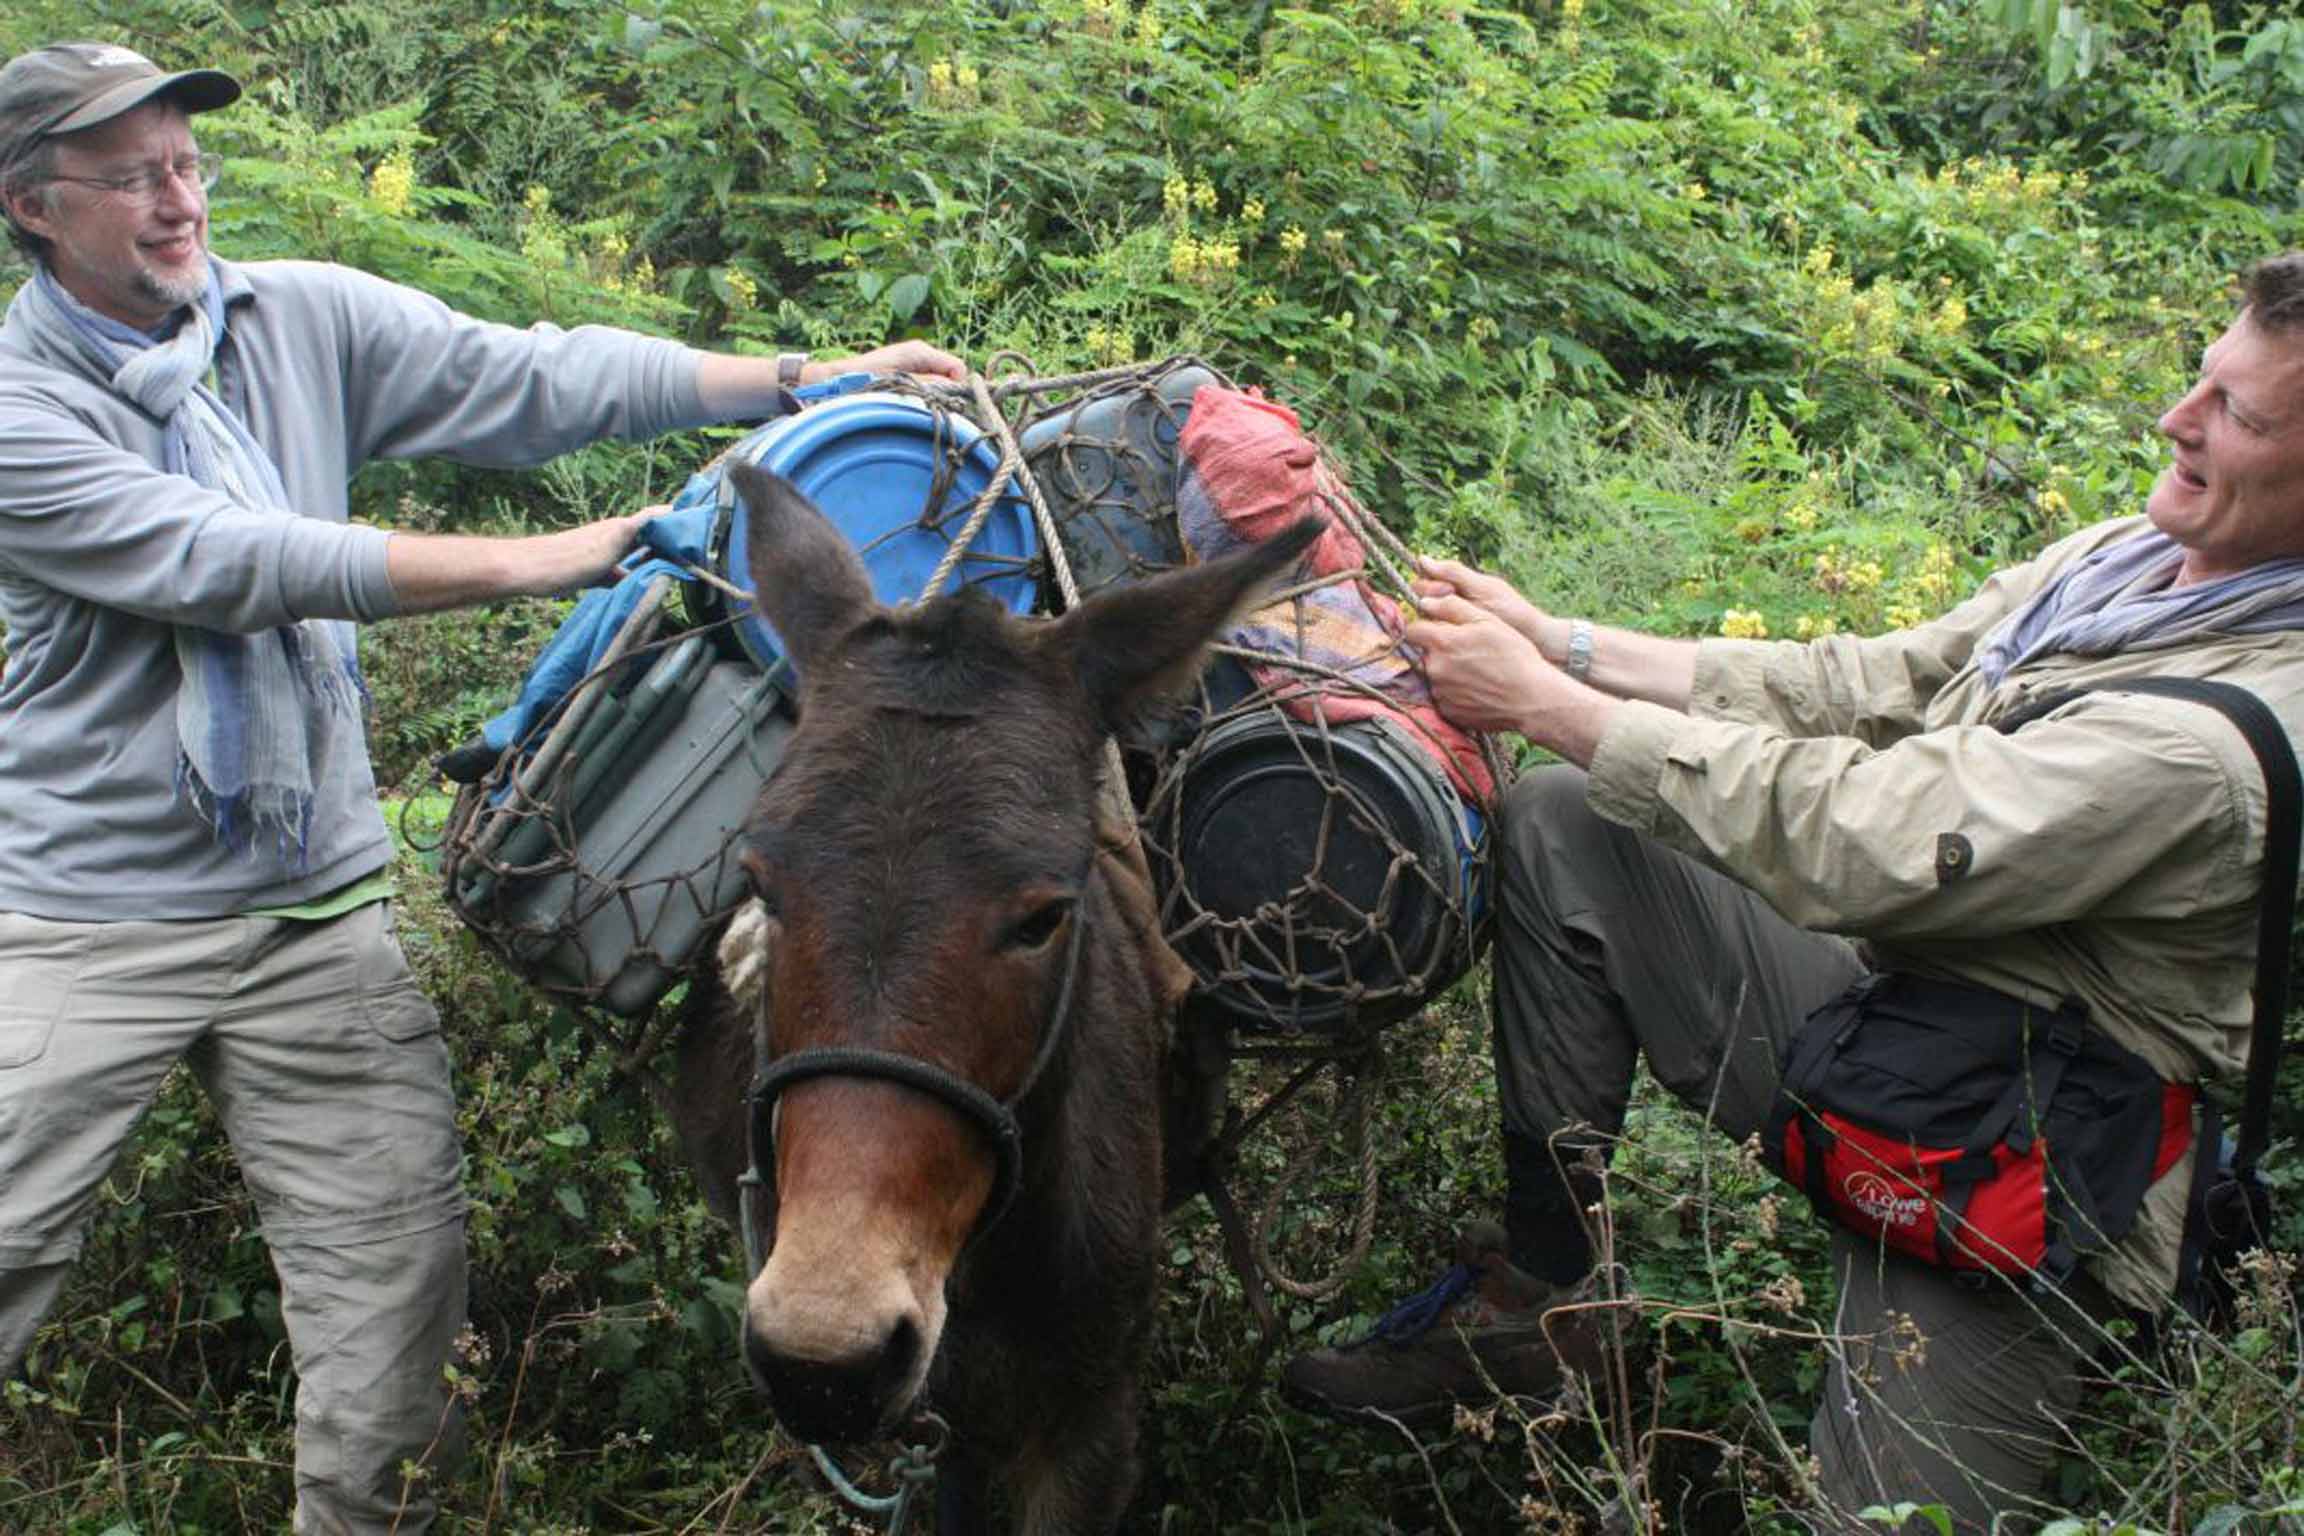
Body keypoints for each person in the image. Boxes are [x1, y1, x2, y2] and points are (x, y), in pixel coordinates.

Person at [0, 40, 965, 1535]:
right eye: (128, 177)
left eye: (184, 162)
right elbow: (232, 560)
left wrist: (797, 377)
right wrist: (559, 555)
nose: (176, 197)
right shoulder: (19, 414)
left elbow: (528, 373)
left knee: (394, 1307)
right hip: (88, 923)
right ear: (32, 209)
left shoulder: (289, 316)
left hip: (310, 913)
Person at [1282, 253, 2304, 1529]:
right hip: (1892, 1008)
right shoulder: (2125, 563)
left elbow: (1878, 839)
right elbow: (1872, 680)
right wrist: (1570, 647)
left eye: (2240, 418)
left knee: (1876, 1521)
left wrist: (1556, 707)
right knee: (1570, 824)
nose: (2179, 422)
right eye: (2199, 383)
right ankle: (1551, 1308)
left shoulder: (2226, 741)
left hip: (2032, 1141)